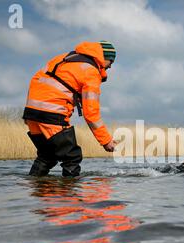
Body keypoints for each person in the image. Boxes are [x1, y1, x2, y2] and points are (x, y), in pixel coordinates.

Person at [23, 41, 117, 177]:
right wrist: (106, 141)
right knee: (72, 158)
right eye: (111, 63)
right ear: (104, 58)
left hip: (31, 113)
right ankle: (69, 197)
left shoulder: (65, 58)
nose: (110, 67)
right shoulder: (91, 71)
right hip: (52, 114)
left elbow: (38, 78)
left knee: (47, 156)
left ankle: (36, 192)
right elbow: (91, 114)